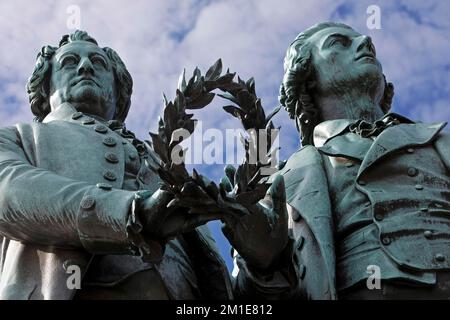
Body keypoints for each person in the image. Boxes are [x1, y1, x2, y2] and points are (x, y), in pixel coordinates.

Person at [0, 30, 297, 300]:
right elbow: (9, 191)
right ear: (44, 87)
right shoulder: (19, 139)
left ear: (119, 91)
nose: (85, 67)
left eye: (99, 63)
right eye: (69, 62)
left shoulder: (165, 166)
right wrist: (129, 213)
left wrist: (261, 264)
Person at [276, 21, 450, 299]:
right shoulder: (286, 179)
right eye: (338, 43)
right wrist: (257, 259)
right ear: (306, 76)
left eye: (365, 41)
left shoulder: (438, 140)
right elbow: (254, 290)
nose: (367, 41)